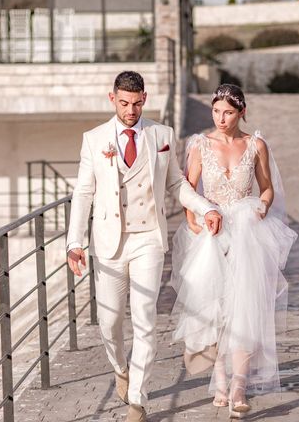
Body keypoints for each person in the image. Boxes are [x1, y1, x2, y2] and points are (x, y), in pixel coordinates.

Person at [66, 71, 222, 422]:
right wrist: (74, 242)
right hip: (108, 243)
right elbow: (83, 194)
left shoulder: (161, 135)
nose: (131, 110)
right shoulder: (94, 139)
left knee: (145, 320)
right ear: (112, 99)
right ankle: (120, 367)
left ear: (145, 99)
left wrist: (205, 207)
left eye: (136, 103)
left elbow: (177, 184)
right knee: (109, 322)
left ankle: (137, 399)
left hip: (148, 240)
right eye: (124, 103)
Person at [171, 83, 297, 419]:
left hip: (246, 230)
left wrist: (262, 207)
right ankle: (221, 379)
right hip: (212, 231)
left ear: (241, 111)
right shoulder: (200, 144)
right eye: (216, 111)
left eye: (228, 112)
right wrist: (194, 223)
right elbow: (187, 186)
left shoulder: (255, 144)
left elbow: (267, 187)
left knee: (245, 306)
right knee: (215, 308)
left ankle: (240, 384)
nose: (221, 118)